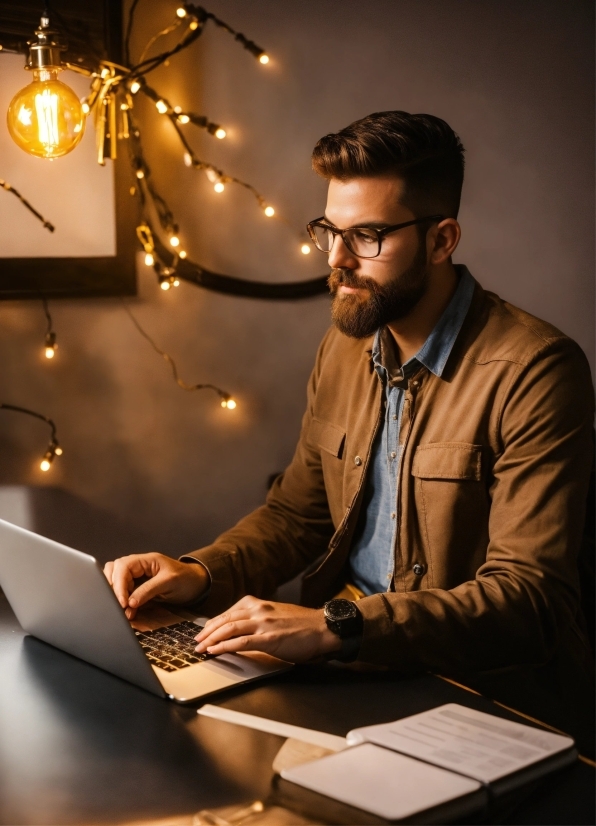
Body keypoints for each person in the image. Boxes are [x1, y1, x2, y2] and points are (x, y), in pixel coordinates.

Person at [105, 112, 594, 714]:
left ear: (442, 240)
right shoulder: (346, 344)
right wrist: (199, 572)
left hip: (480, 698)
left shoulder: (536, 369)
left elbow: (529, 602)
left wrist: (336, 624)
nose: (336, 259)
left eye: (367, 237)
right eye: (329, 231)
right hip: (346, 669)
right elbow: (297, 516)